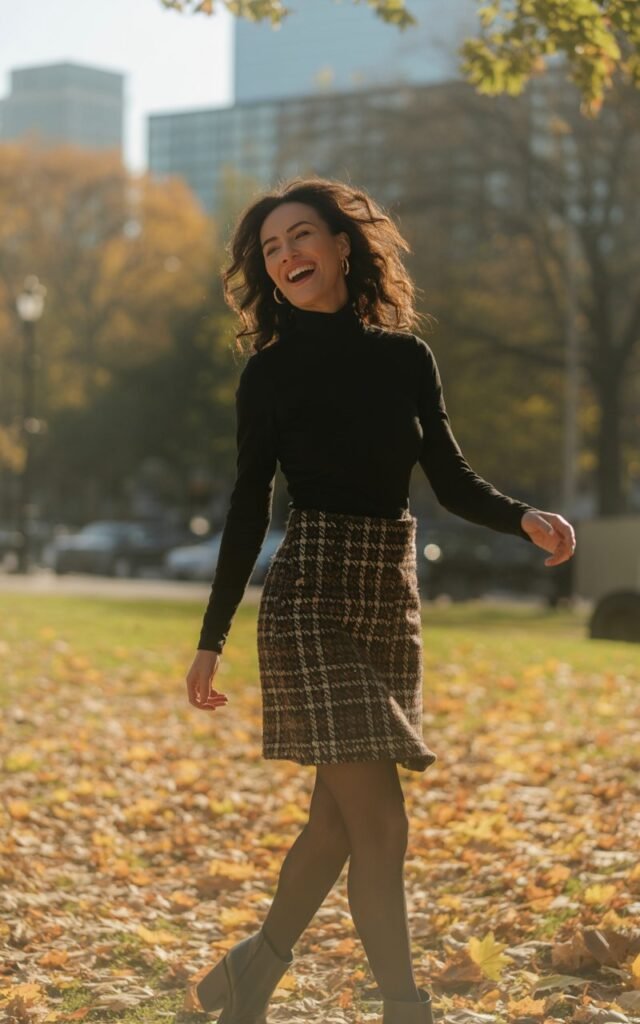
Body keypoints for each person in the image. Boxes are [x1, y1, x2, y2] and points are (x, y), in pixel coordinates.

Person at [183, 176, 576, 1024]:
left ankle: (248, 981)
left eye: (300, 237)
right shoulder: (270, 375)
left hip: (389, 596)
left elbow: (450, 480)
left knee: (336, 824)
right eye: (270, 248)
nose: (286, 256)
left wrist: (525, 517)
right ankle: (405, 1007)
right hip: (312, 598)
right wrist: (212, 636)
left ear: (342, 244)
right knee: (383, 825)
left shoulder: (406, 358)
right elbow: (249, 508)